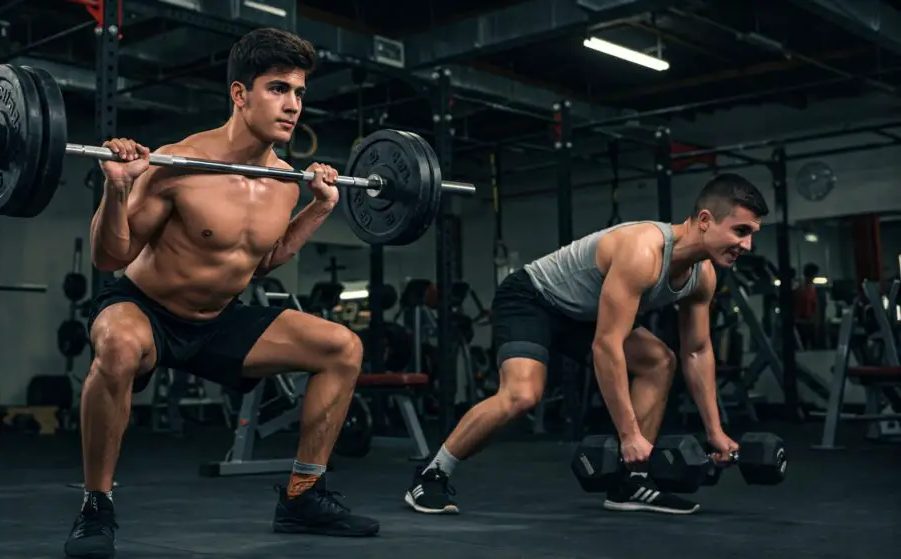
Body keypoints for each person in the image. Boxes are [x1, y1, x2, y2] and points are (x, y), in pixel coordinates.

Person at [64, 28, 379, 559]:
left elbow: (262, 262)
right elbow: (109, 258)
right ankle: (96, 504)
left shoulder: (284, 179)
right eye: (278, 89)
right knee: (117, 347)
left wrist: (319, 209)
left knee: (342, 348)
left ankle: (303, 497)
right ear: (240, 94)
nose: (293, 105)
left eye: (299, 93)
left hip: (218, 320)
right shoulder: (178, 164)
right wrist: (116, 189)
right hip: (145, 310)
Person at [404, 173, 768, 516]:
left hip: (583, 315)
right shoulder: (644, 252)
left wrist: (715, 432)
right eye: (740, 231)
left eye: (752, 234)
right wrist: (628, 435)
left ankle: (630, 483)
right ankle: (431, 475)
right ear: (705, 219)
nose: (747, 245)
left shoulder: (702, 276)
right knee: (522, 394)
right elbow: (606, 347)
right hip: (534, 298)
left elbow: (697, 351)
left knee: (660, 360)